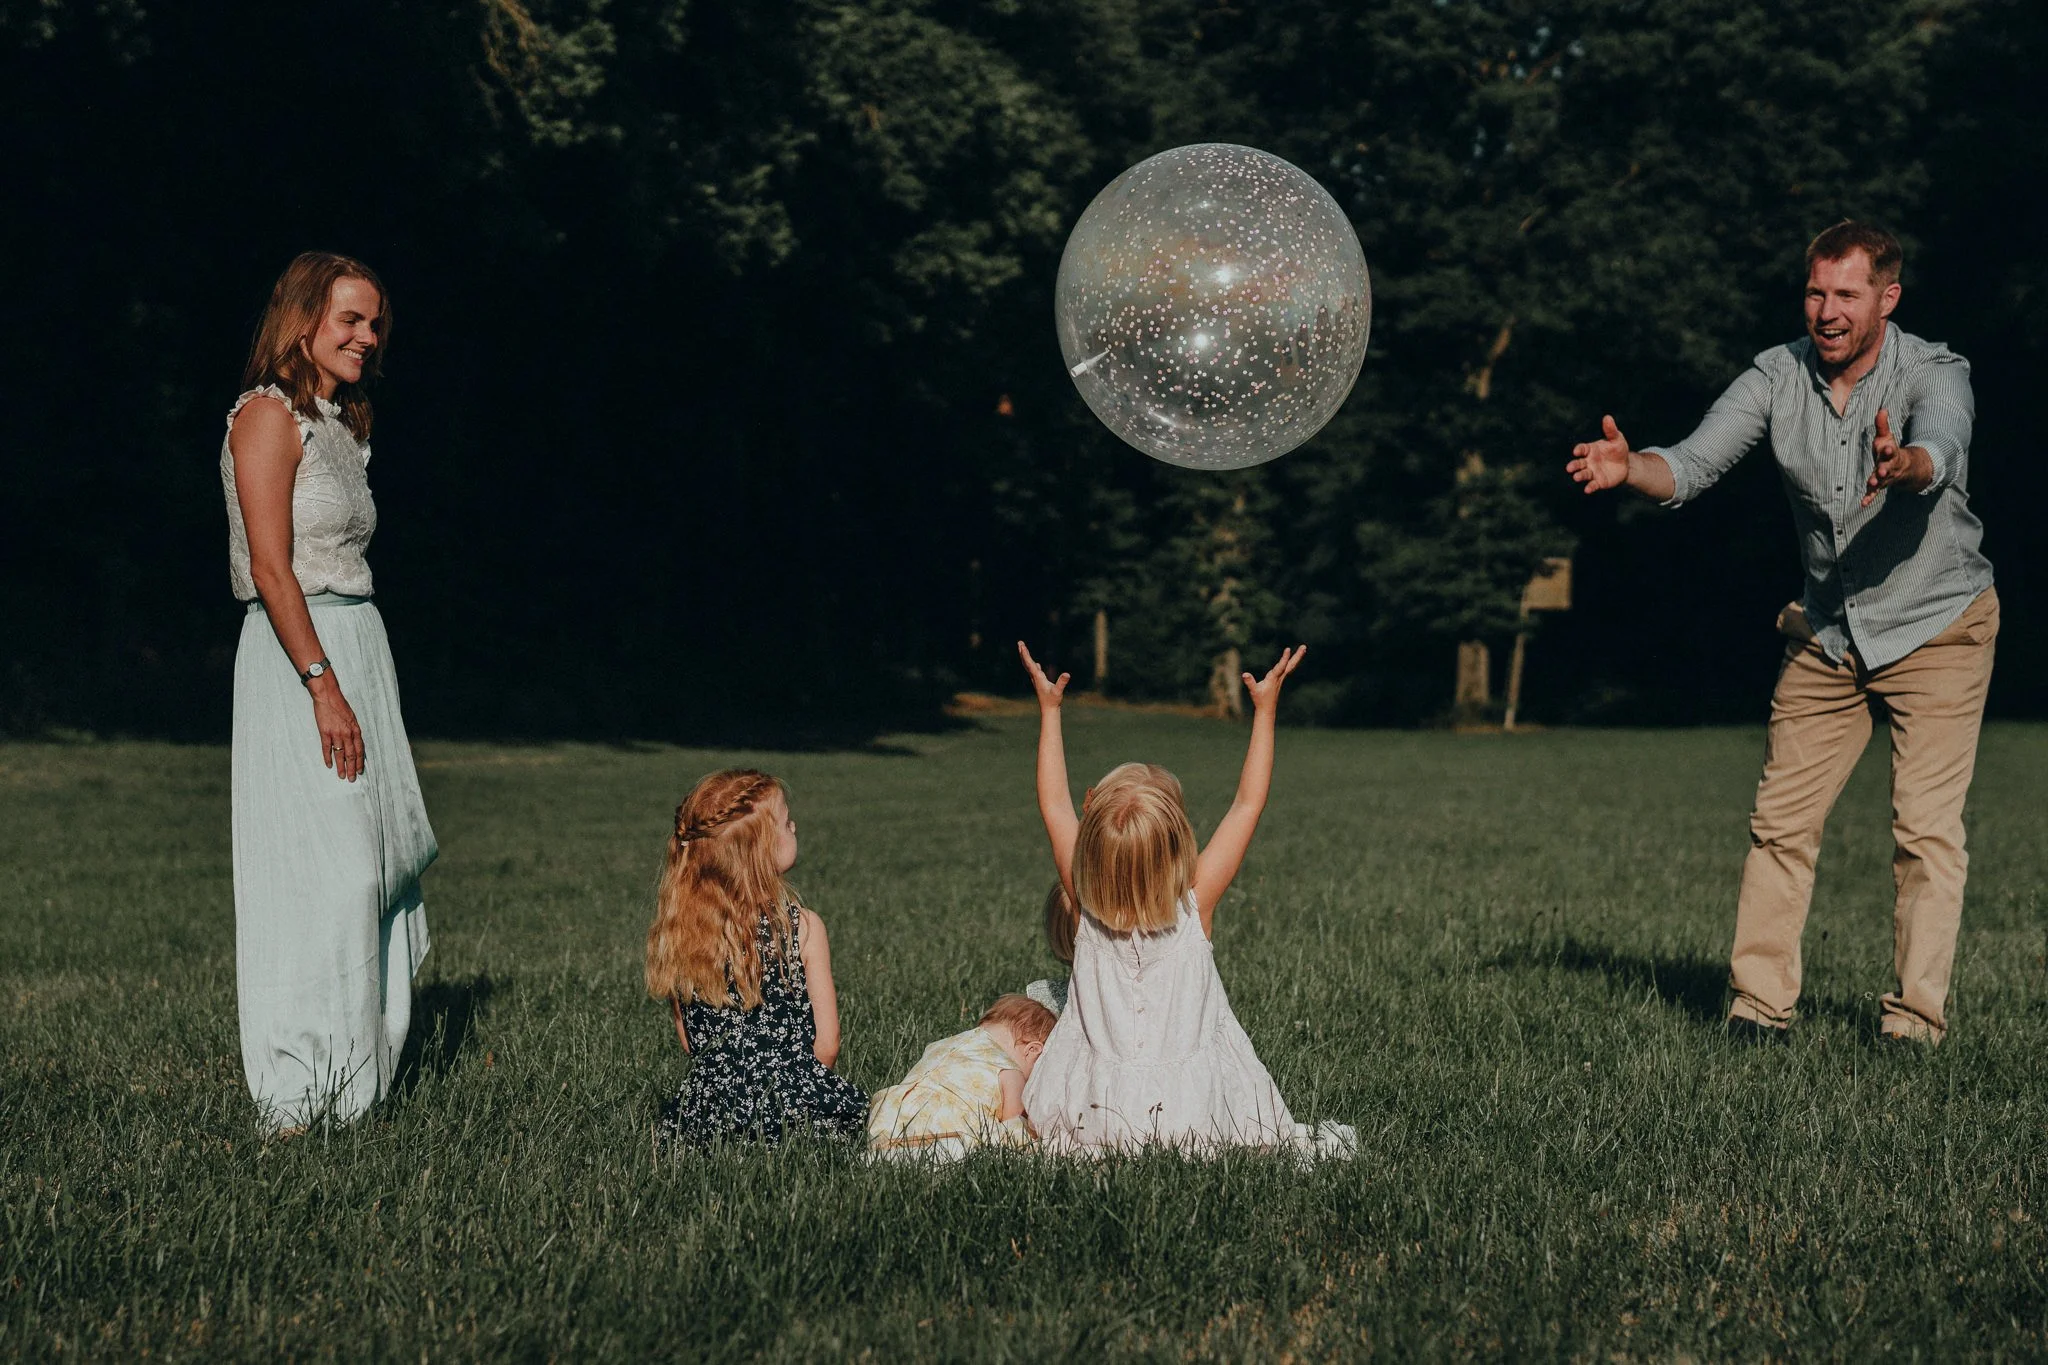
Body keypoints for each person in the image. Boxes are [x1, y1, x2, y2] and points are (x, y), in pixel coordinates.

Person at [1567, 220, 1996, 1045]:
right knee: (1780, 824)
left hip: (1938, 626)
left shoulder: (1934, 369)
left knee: (1925, 831)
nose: (1827, 311)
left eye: (1846, 294)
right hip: (1830, 630)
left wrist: (1907, 463)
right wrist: (1633, 468)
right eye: (1815, 292)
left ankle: (1914, 1024)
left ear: (1886, 298)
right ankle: (1759, 1011)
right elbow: (1690, 464)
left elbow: (1943, 439)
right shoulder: (1776, 375)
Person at [223, 252, 437, 1135]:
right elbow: (271, 566)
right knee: (328, 874)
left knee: (378, 863)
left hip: (358, 639)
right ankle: (297, 1089)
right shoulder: (267, 417)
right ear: (302, 321)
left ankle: (362, 1083)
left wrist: (354, 677)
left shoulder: (342, 422)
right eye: (351, 318)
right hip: (297, 652)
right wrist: (321, 684)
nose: (367, 335)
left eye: (376, 321)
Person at [1015, 641, 1356, 1156]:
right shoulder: (1195, 906)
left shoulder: (1083, 907)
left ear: (1089, 852)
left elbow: (1055, 802)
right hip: (1190, 1118)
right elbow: (1246, 806)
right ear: (1179, 848)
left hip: (1093, 1116)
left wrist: (1049, 712)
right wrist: (1265, 712)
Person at [647, 768, 868, 1145]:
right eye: (785, 823)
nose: (794, 826)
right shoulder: (803, 928)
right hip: (794, 1114)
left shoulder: (681, 938)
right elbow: (827, 1043)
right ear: (760, 852)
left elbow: (690, 1043)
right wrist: (805, 1095)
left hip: (706, 1120)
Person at [867, 993, 1056, 1158]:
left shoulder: (944, 1044)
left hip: (890, 1119)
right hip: (946, 1130)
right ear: (1032, 1051)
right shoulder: (1010, 1071)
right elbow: (1013, 1125)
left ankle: (884, 1154)